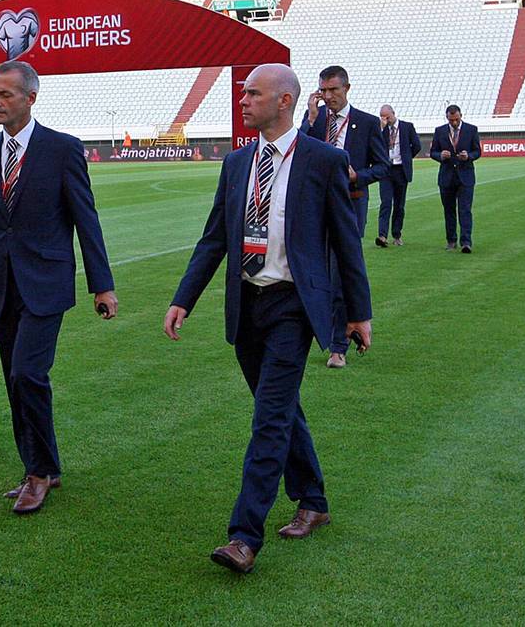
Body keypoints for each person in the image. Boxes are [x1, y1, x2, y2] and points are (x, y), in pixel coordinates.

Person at [164, 63, 372, 574]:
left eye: (253, 94)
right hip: (247, 303)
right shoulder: (238, 163)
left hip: (293, 307)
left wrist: (358, 314)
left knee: (269, 419)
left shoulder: (324, 160)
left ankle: (244, 536)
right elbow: (215, 237)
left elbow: (346, 244)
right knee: (278, 408)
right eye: (244, 93)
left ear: (284, 101)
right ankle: (313, 500)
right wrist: (184, 298)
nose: (244, 100)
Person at [0, 60, 118, 516]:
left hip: (46, 283)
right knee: (17, 381)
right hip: (1, 286)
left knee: (27, 374)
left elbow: (85, 219)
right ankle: (42, 467)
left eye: (6, 94)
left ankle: (37, 474)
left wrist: (102, 285)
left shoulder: (62, 149)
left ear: (30, 98)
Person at [300, 65, 389, 368]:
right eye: (323, 91)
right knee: (313, 273)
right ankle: (311, 334)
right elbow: (297, 152)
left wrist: (356, 176)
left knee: (340, 274)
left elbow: (382, 167)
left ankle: (339, 346)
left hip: (350, 205)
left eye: (333, 90)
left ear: (346, 89)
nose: (328, 96)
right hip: (314, 206)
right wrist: (310, 119)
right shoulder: (315, 119)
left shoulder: (366, 123)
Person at [430, 105, 481, 253]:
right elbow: (433, 152)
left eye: (456, 119)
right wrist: (440, 156)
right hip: (447, 177)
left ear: (461, 116)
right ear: (447, 117)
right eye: (451, 120)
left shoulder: (471, 130)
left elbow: (477, 151)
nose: (454, 123)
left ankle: (466, 242)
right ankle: (451, 240)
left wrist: (468, 156)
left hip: (465, 176)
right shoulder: (440, 131)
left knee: (465, 210)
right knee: (449, 210)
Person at [376, 105, 421, 247]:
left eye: (387, 117)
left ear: (393, 113)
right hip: (386, 170)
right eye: (382, 117)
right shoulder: (380, 129)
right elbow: (375, 145)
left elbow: (417, 145)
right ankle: (382, 235)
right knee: (385, 203)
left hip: (401, 170)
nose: (385, 119)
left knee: (399, 205)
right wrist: (381, 128)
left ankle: (397, 235)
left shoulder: (407, 127)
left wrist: (406, 157)